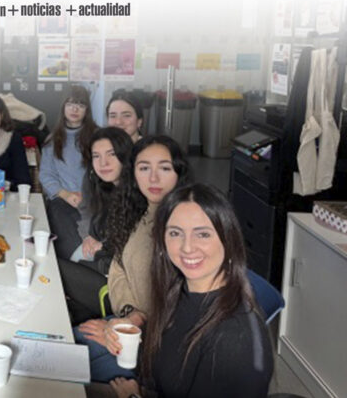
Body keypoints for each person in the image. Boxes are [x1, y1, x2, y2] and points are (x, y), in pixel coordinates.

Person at [109, 184, 273, 398]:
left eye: (202, 234)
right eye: (175, 233)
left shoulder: (236, 340)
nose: (187, 247)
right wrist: (123, 336)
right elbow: (164, 363)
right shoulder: (178, 292)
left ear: (228, 239)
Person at [77, 135, 193, 382]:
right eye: (144, 168)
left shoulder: (185, 228)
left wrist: (135, 322)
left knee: (64, 366)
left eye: (164, 168)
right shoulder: (141, 213)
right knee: (64, 347)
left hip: (158, 350)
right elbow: (118, 268)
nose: (153, 178)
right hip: (128, 324)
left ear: (179, 172)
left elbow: (183, 306)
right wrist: (130, 314)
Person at [57, 127, 132, 324]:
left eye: (111, 154)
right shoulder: (104, 186)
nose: (103, 163)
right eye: (96, 156)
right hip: (102, 258)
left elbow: (130, 251)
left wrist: (102, 247)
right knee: (56, 207)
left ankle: (86, 307)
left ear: (125, 155)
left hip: (118, 281)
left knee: (51, 268)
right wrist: (90, 236)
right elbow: (92, 215)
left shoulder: (136, 194)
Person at [40, 86, 98, 259]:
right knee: (61, 217)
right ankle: (76, 261)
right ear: (63, 107)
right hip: (62, 198)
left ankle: (86, 259)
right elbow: (46, 174)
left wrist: (87, 194)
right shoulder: (53, 140)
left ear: (87, 110)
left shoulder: (98, 136)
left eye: (80, 105)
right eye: (70, 104)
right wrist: (65, 194)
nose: (75, 109)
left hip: (93, 198)